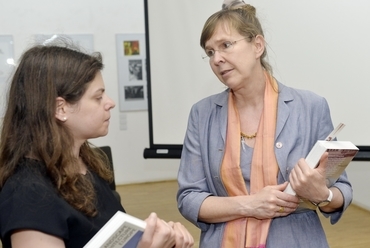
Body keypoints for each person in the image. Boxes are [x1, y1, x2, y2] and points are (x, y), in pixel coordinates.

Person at [176, 1, 352, 248]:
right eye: (210, 52)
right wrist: (251, 204)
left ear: (257, 45)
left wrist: (322, 195)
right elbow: (189, 198)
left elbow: (342, 191)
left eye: (226, 45)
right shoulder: (202, 114)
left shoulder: (310, 107)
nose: (217, 59)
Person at [0, 40, 194, 248]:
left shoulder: (88, 163)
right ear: (61, 109)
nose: (110, 102)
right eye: (98, 97)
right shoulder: (29, 193)